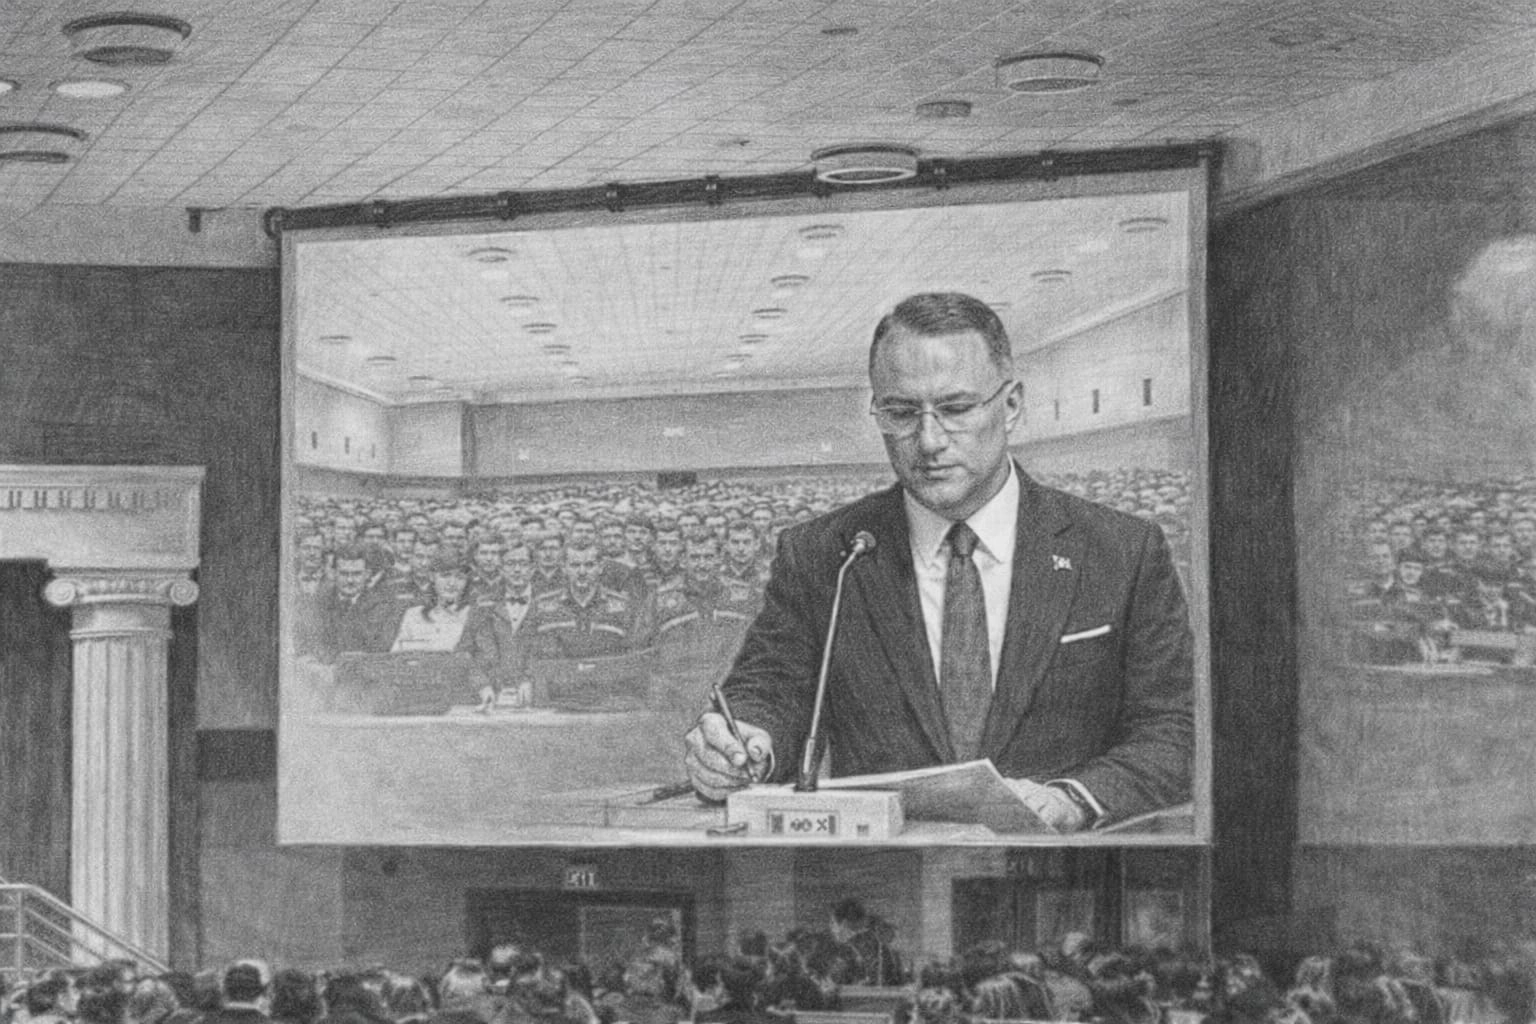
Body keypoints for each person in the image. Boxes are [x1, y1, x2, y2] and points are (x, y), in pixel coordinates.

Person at [683, 292, 1194, 831]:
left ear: (1011, 405)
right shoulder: (826, 554)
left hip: (1061, 866)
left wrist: (1073, 798)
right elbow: (770, 691)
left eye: (956, 409)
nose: (928, 440)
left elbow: (1176, 727)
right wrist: (744, 744)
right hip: (882, 869)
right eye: (901, 413)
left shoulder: (1120, 550)